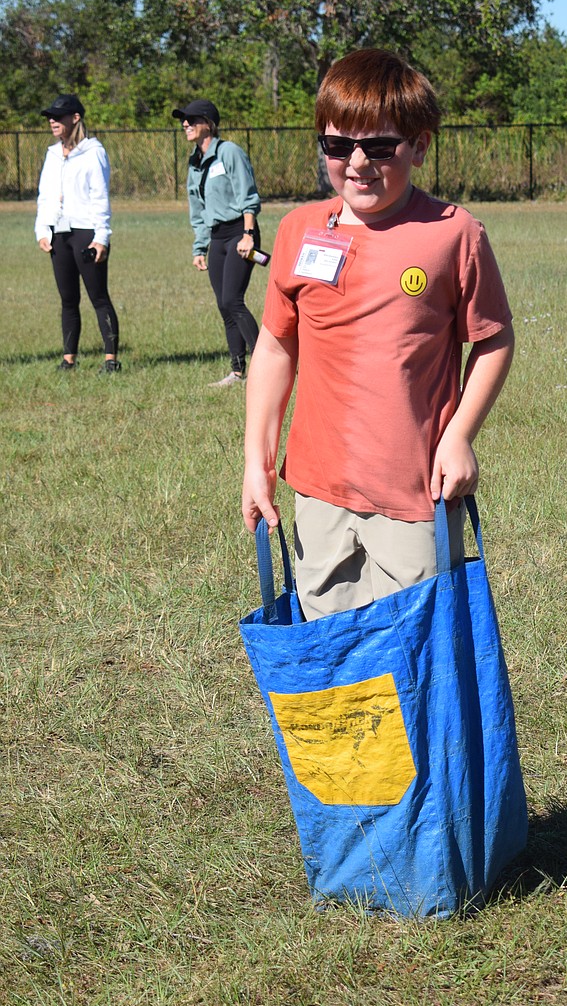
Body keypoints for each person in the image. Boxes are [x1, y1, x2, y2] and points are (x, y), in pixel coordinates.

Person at [241, 48, 514, 621]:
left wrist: (460, 436)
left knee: (417, 648)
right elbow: (275, 346)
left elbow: (493, 340)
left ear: (419, 145)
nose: (358, 163)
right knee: (333, 647)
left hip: (415, 494)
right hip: (319, 491)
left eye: (381, 147)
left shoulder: (453, 233)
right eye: (338, 146)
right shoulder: (298, 230)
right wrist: (257, 463)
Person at [172, 98, 262, 387]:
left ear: (208, 124)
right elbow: (198, 210)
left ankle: (266, 366)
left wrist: (248, 235)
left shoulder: (229, 152)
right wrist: (200, 247)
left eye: (191, 119)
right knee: (224, 306)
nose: (185, 124)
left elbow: (248, 195)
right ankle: (237, 372)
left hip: (240, 233)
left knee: (232, 300)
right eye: (183, 120)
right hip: (216, 237)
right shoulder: (195, 162)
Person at [35, 93, 120, 373]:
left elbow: (100, 196)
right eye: (50, 117)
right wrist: (42, 229)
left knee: (98, 297)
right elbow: (45, 195)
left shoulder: (93, 152)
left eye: (58, 116)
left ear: (75, 118)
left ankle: (110, 360)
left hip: (87, 233)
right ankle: (68, 359)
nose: (52, 121)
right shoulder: (52, 154)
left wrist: (101, 237)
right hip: (59, 235)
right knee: (68, 299)